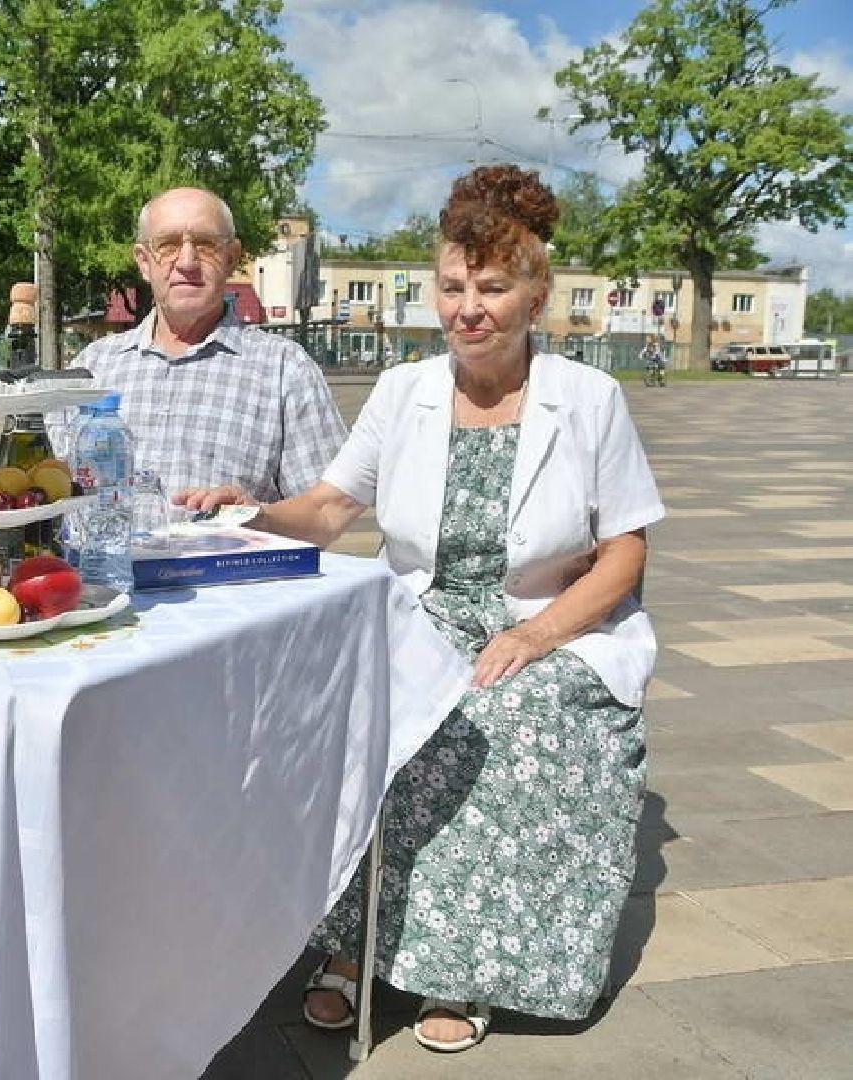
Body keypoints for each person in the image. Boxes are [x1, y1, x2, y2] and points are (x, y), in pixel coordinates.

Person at [178, 165, 663, 1052]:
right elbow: (330, 508)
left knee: (503, 716)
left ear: (536, 296)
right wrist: (251, 510)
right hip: (422, 615)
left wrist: (536, 634)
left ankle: (457, 966)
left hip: (549, 622)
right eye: (451, 288)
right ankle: (351, 941)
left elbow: (625, 552)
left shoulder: (589, 399)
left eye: (491, 288)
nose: (467, 309)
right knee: (352, 704)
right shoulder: (405, 393)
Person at [60, 187, 346, 501]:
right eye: (168, 245)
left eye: (206, 245)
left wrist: (259, 515)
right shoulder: (93, 369)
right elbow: (49, 487)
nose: (187, 262)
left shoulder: (284, 370)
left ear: (231, 258)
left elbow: (328, 509)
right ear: (144, 262)